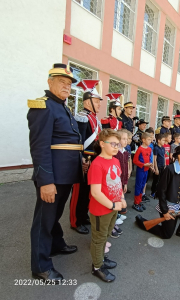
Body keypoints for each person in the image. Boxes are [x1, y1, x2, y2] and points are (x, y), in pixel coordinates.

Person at [27, 63, 81, 283]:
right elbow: (39, 147)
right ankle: (41, 265)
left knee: (55, 215)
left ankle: (56, 244)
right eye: (62, 82)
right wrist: (45, 181)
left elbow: (68, 143)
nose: (67, 87)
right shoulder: (43, 107)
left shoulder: (63, 107)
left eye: (69, 84)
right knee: (44, 220)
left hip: (66, 175)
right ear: (49, 82)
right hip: (52, 177)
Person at [135, 142, 180, 240]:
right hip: (169, 205)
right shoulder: (170, 170)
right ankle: (143, 223)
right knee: (167, 234)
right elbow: (161, 191)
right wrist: (165, 211)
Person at [88, 129, 127, 282]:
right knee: (98, 239)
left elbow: (117, 183)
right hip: (101, 210)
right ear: (102, 144)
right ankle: (97, 267)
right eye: (113, 144)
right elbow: (96, 193)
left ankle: (101, 259)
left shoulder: (115, 161)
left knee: (106, 235)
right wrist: (112, 205)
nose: (117, 147)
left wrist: (122, 199)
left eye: (118, 144)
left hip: (113, 208)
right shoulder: (97, 164)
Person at [70, 79, 103, 235]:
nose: (99, 104)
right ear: (87, 102)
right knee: (78, 193)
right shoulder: (81, 117)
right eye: (96, 101)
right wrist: (82, 159)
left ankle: (83, 216)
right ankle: (75, 221)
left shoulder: (95, 119)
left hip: (93, 162)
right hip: (83, 162)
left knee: (88, 192)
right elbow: (79, 141)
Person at [132, 132, 153, 212]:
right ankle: (136, 203)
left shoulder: (149, 149)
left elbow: (150, 159)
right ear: (143, 140)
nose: (150, 141)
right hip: (141, 170)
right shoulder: (140, 149)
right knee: (138, 186)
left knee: (142, 186)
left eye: (151, 139)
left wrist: (151, 165)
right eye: (148, 139)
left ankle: (139, 201)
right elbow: (135, 160)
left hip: (146, 170)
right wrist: (144, 164)